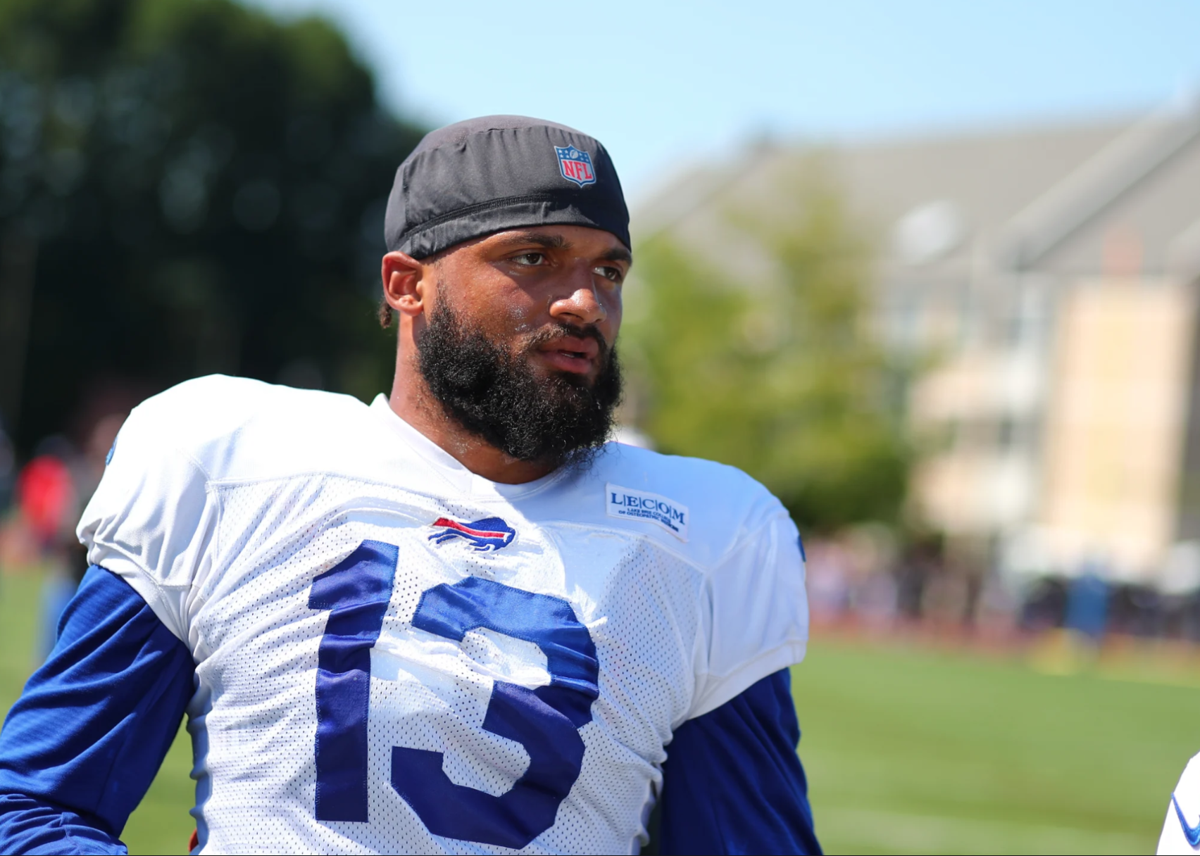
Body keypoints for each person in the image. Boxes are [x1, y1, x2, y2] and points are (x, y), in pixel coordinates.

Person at [0, 116, 819, 855]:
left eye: (609, 270)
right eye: (532, 258)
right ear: (405, 284)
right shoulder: (230, 466)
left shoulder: (705, 537)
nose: (584, 302)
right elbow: (32, 811)